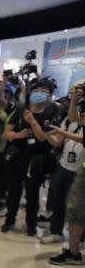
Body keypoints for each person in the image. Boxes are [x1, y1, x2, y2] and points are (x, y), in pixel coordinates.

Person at [1, 77, 62, 235]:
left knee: (32, 194)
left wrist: (33, 122)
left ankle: (31, 225)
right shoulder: (20, 110)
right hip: (17, 157)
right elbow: (6, 133)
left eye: (44, 91)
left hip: (37, 160)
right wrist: (19, 134)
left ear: (49, 95)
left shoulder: (52, 112)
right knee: (13, 192)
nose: (39, 93)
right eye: (36, 90)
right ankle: (9, 220)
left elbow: (43, 137)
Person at [42, 88, 85, 244]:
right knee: (58, 201)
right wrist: (46, 132)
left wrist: (64, 134)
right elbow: (58, 140)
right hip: (64, 165)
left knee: (79, 207)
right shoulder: (72, 120)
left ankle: (79, 237)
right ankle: (56, 231)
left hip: (80, 170)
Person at [0, 81, 18, 215]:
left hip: (10, 147)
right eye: (3, 93)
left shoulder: (14, 109)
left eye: (8, 93)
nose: (4, 96)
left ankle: (2, 200)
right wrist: (5, 81)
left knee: (5, 176)